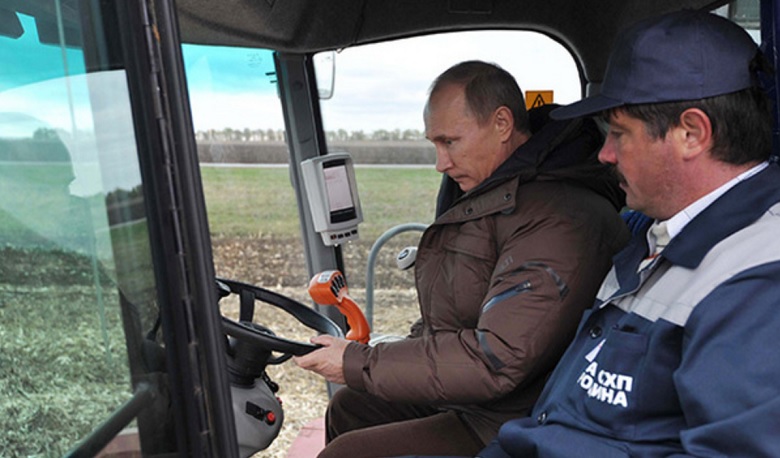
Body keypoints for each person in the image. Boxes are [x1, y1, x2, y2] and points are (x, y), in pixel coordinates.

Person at [420, 10, 780, 458]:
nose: (605, 154)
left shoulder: (757, 279)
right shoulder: (651, 237)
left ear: (691, 133)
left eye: (620, 133)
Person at [294, 60, 630, 457]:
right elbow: (457, 318)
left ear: (502, 123)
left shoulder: (558, 217)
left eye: (450, 142)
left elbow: (496, 359)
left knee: (348, 454)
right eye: (435, 144)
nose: (441, 163)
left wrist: (360, 363)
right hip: (477, 398)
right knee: (351, 406)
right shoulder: (492, 196)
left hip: (517, 416)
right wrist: (379, 356)